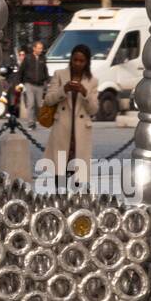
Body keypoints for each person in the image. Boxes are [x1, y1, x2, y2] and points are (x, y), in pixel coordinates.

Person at [42, 43, 99, 190]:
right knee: (60, 174)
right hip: (63, 129)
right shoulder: (60, 75)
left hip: (80, 133)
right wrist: (64, 89)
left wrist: (85, 93)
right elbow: (48, 100)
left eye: (81, 61)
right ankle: (60, 203)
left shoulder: (92, 81)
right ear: (71, 59)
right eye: (75, 60)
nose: (77, 64)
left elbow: (93, 110)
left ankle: (76, 205)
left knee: (78, 177)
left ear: (87, 62)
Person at [20, 39, 48, 121]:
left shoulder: (43, 58)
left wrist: (47, 81)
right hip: (29, 84)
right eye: (39, 48)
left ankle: (37, 119)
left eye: (41, 48)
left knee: (39, 105)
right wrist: (20, 83)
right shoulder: (28, 58)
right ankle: (30, 122)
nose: (40, 50)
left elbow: (45, 70)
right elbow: (21, 70)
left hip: (40, 84)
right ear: (34, 48)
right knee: (31, 103)